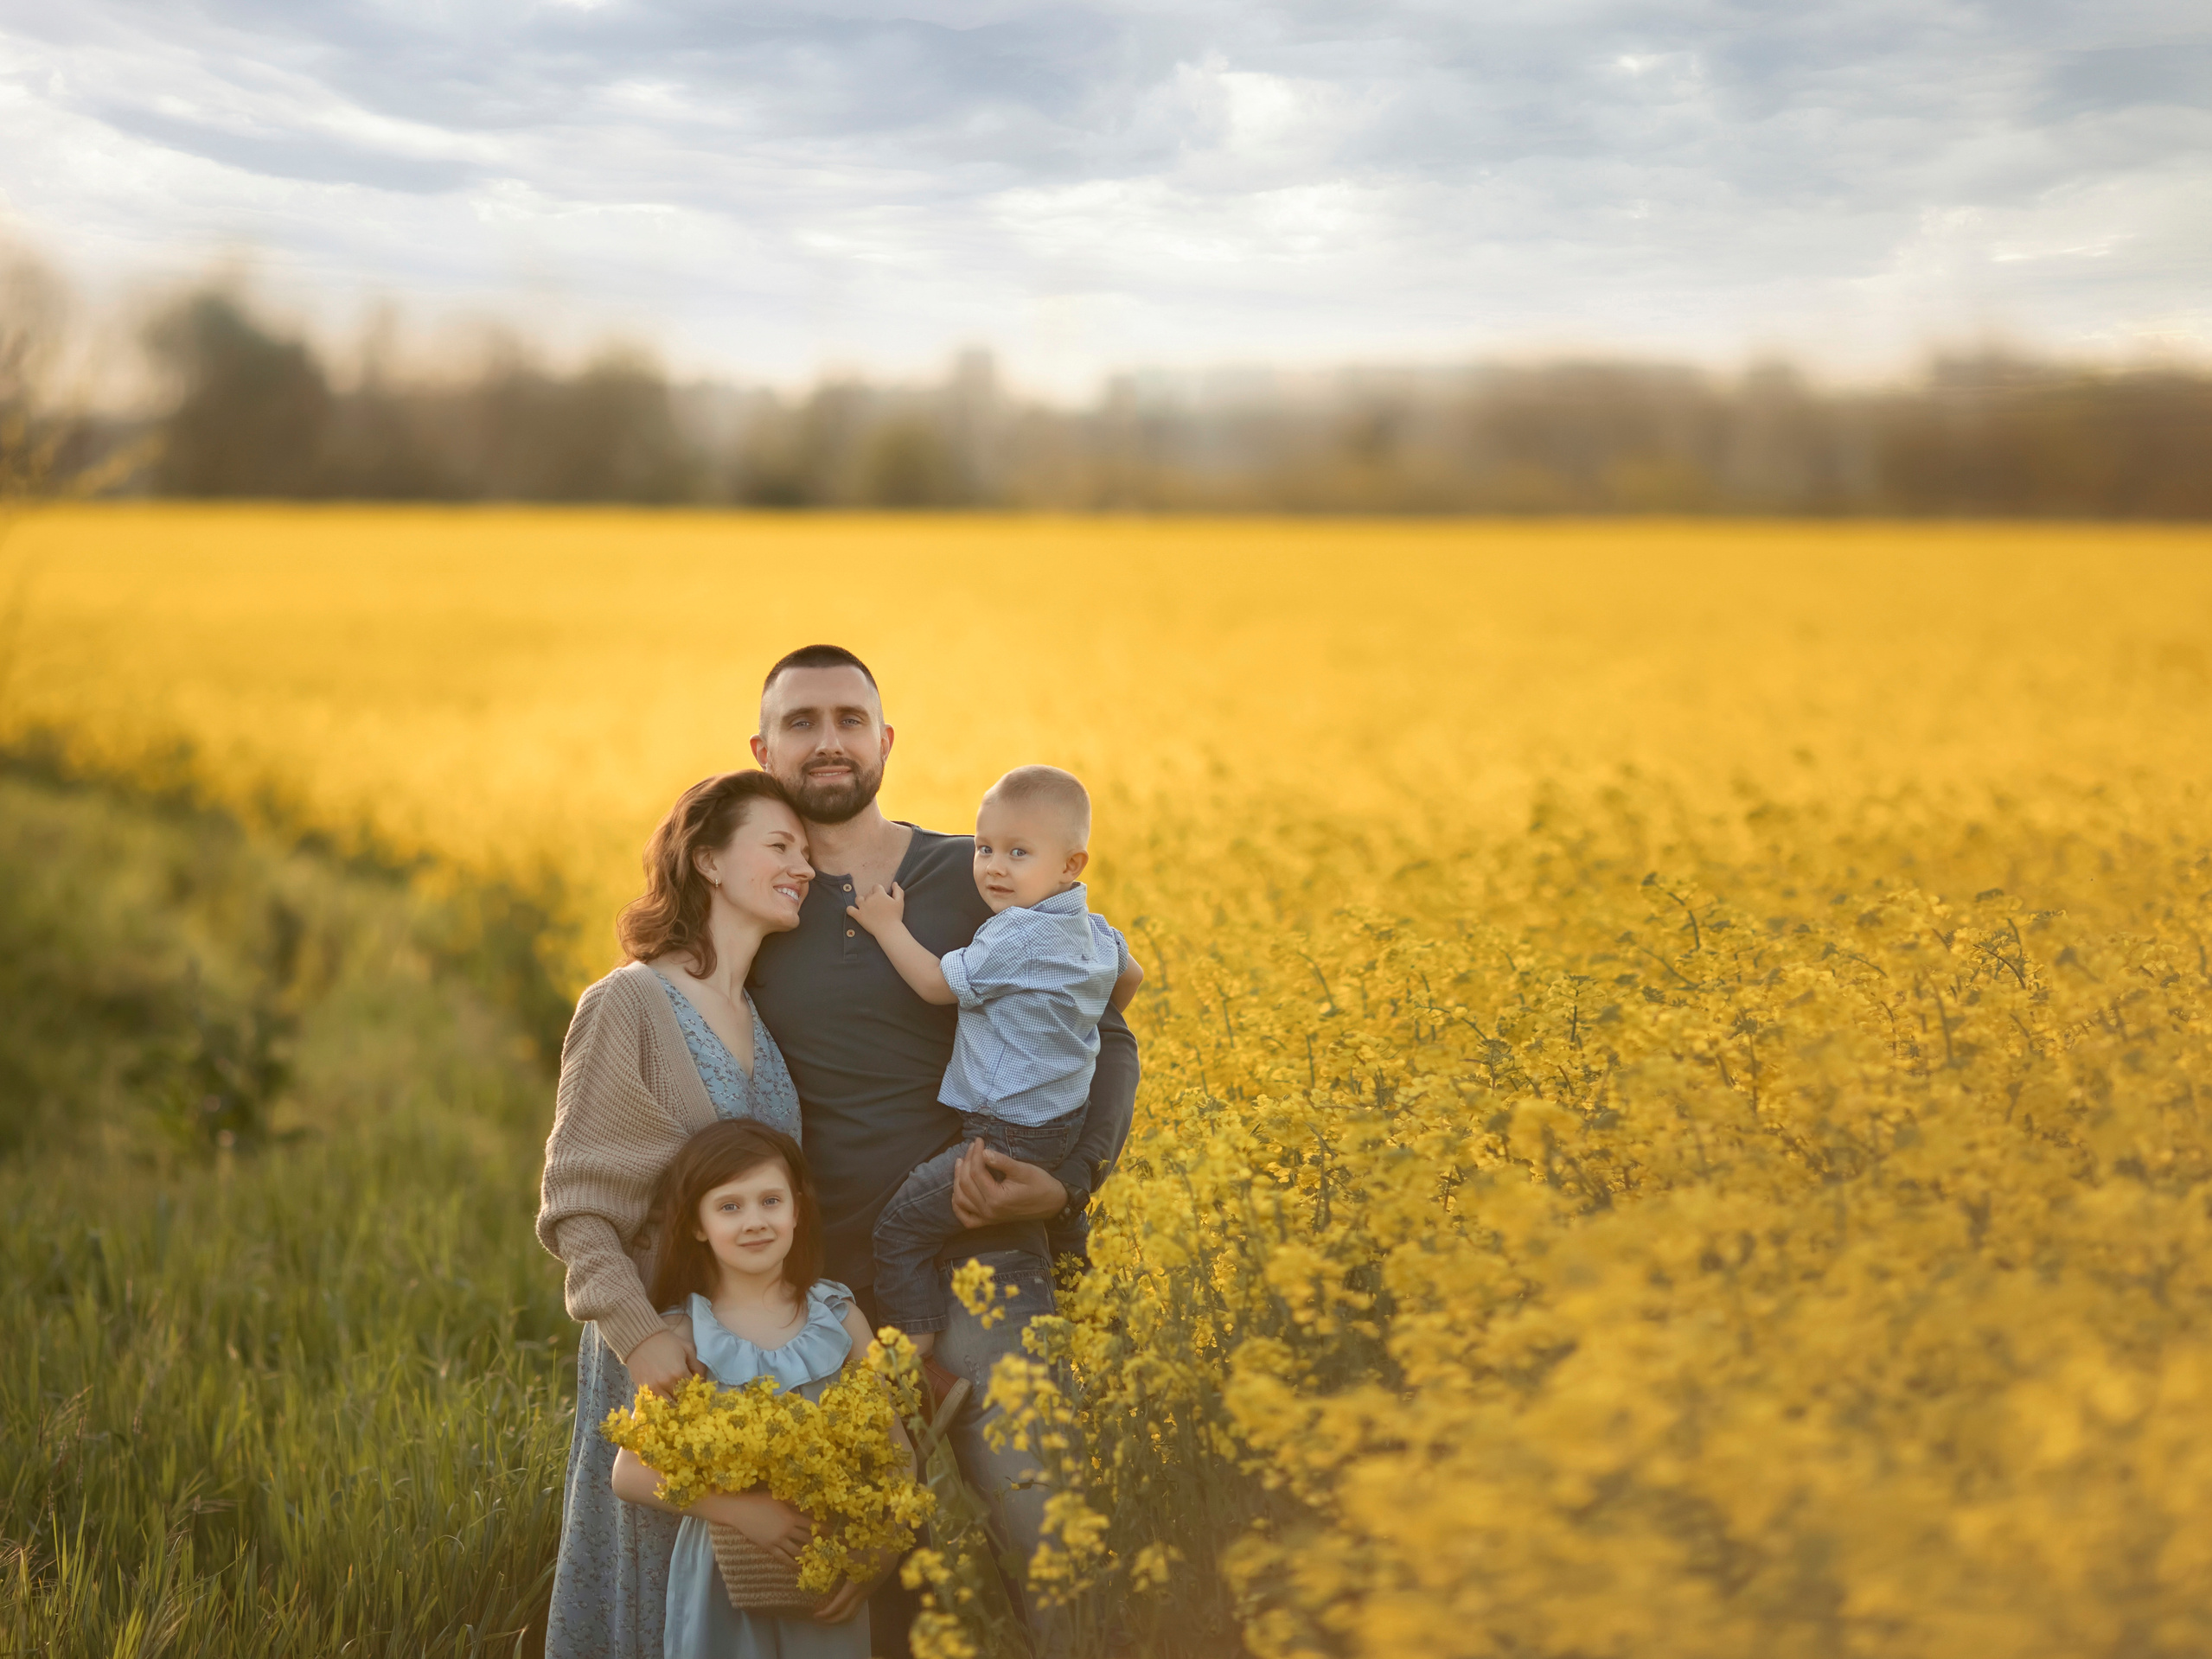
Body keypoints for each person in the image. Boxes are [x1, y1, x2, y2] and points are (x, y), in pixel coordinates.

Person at [745, 644, 1141, 1652]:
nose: (827, 740)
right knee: (858, 1596)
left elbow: (1110, 1029)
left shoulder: (978, 872)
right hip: (815, 1287)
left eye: (848, 718)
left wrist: (1063, 1185)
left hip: (982, 1258)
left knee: (1047, 1543)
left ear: (885, 740)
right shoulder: (757, 896)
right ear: (762, 748)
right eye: (801, 722)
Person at [540, 769, 849, 1659]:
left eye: (807, 851)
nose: (803, 866)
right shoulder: (628, 1002)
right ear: (707, 857)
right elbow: (577, 1212)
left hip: (746, 1367)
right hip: (663, 1361)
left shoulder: (757, 1019)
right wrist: (642, 1340)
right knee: (655, 1593)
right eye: (779, 846)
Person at [848, 763, 1141, 1363]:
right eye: (983, 848)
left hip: (1005, 1133)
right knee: (1061, 1234)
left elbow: (935, 984)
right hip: (1063, 1121)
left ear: (1070, 864)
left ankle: (917, 1347)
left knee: (900, 1227)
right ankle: (1096, 1326)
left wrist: (885, 924)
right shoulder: (1093, 928)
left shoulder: (1014, 936)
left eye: (1017, 852)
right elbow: (1130, 978)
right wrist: (1070, 1023)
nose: (993, 867)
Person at [611, 1118, 905, 1659]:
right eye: (730, 1207)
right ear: (697, 1224)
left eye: (771, 1201)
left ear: (797, 1210)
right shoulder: (681, 1335)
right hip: (721, 1583)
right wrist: (741, 1512)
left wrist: (877, 1559)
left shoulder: (841, 1319)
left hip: (826, 1576)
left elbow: (897, 1453)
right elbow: (630, 1472)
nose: (754, 1222)